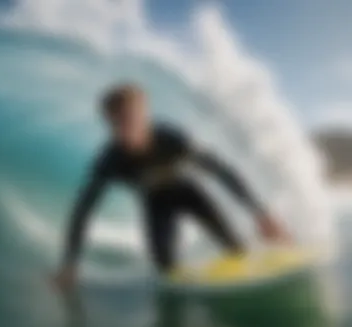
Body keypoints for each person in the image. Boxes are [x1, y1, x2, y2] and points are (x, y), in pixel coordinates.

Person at [54, 84, 288, 291]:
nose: (126, 129)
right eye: (117, 123)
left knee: (236, 250)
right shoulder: (109, 160)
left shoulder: (171, 138)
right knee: (166, 272)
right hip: (156, 204)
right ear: (109, 124)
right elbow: (83, 211)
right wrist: (70, 263)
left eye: (131, 118)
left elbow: (220, 170)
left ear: (144, 115)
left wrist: (261, 214)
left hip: (189, 193)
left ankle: (265, 241)